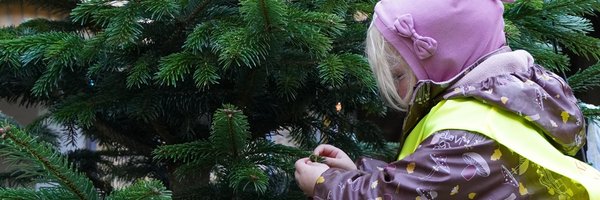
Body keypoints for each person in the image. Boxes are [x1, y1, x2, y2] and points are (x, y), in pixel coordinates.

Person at [294, 0, 600, 199]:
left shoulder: (468, 128)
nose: (398, 91)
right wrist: (357, 175)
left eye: (400, 75)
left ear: (442, 61)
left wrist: (328, 184)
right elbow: (434, 183)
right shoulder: (506, 99)